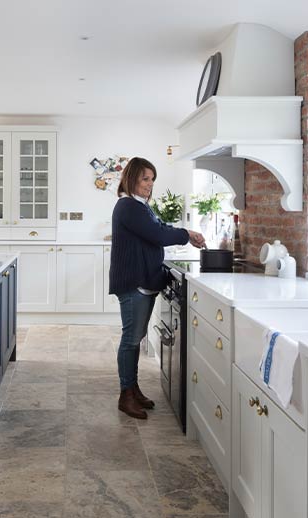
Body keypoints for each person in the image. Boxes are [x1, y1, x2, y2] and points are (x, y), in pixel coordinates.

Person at [108, 157, 205, 419]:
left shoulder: (139, 206)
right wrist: (187, 234)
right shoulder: (128, 206)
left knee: (135, 339)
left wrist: (185, 232)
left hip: (143, 281)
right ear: (131, 179)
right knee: (130, 340)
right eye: (145, 179)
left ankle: (133, 388)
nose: (150, 185)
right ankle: (125, 395)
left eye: (152, 179)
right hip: (134, 283)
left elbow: (159, 228)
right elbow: (158, 235)